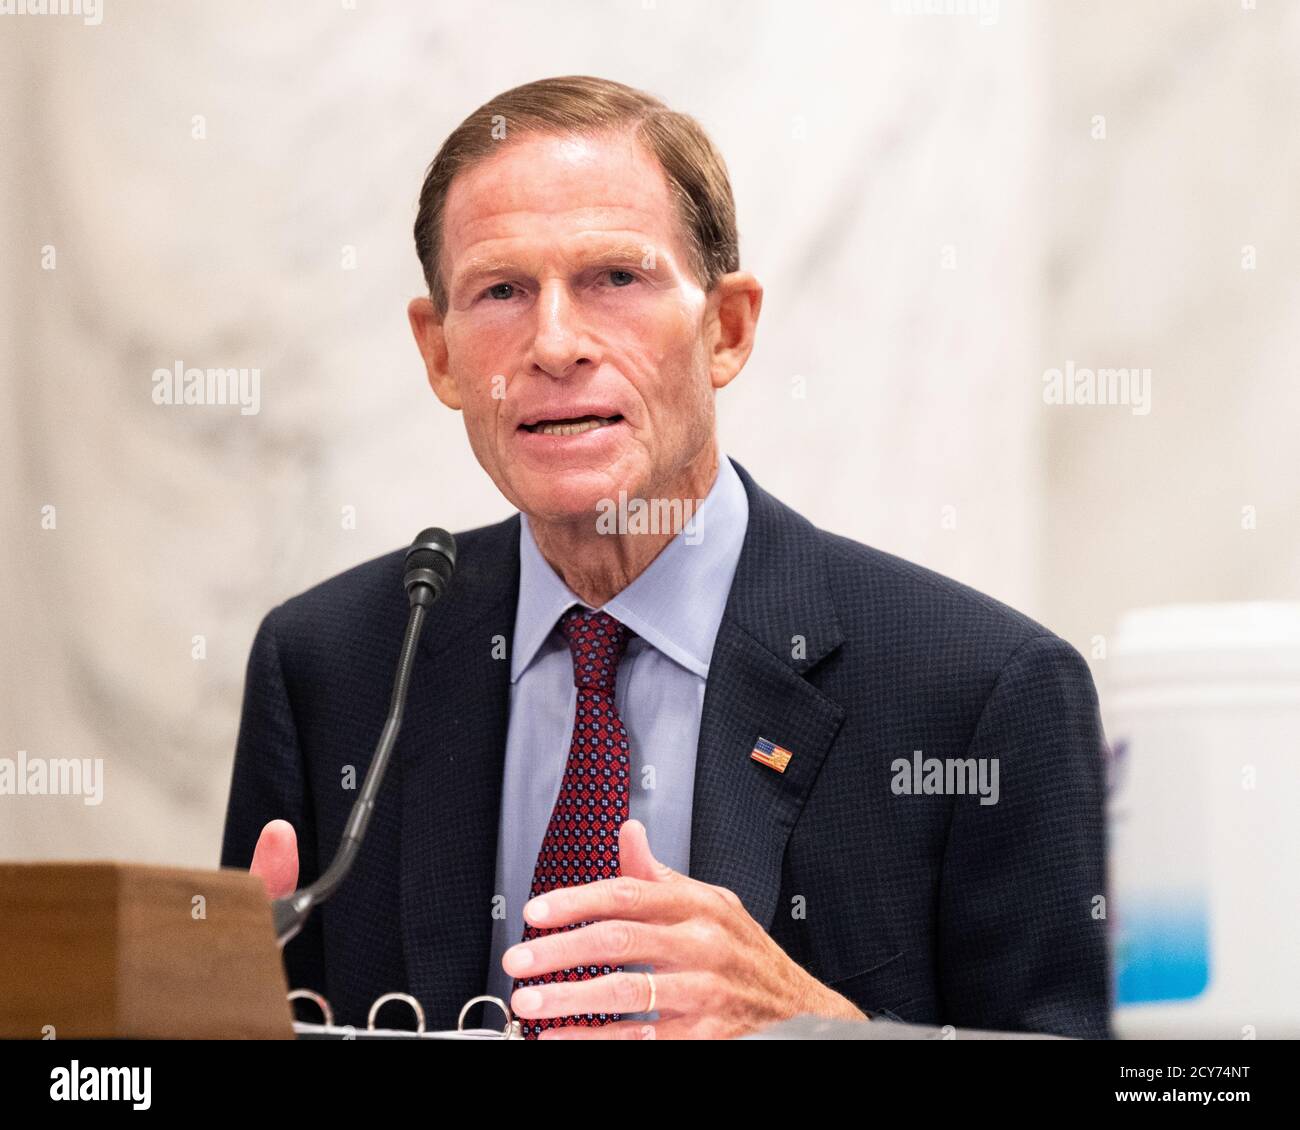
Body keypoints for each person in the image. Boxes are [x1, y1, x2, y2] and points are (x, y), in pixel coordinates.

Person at [221, 74, 1110, 1041]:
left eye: (616, 278)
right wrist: (202, 1003)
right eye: (502, 291)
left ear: (726, 329)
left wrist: (815, 1031)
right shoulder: (331, 666)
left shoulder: (979, 690)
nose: (555, 344)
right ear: (439, 354)